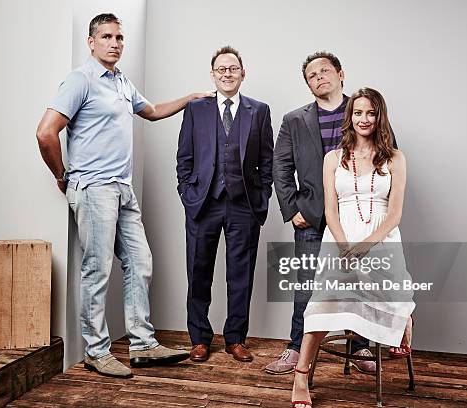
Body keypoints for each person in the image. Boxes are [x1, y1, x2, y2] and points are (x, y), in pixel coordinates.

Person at [36, 13, 211, 378]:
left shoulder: (120, 81)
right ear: (91, 42)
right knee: (97, 270)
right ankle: (95, 351)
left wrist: (191, 97)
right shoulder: (80, 80)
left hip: (122, 189)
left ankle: (143, 345)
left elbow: (151, 112)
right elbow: (45, 132)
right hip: (95, 187)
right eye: (107, 37)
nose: (115, 43)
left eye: (119, 37)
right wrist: (61, 175)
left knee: (140, 262)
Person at [267, 52, 395, 375]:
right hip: (311, 216)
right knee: (308, 284)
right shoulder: (294, 119)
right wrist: (291, 208)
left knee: (362, 282)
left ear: (341, 74)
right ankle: (296, 347)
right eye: (312, 74)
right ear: (308, 84)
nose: (319, 76)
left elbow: (388, 155)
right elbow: (280, 166)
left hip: (358, 215)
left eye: (325, 70)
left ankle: (361, 345)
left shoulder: (364, 110)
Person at [290, 88, 415, 408]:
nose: (364, 119)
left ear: (379, 117)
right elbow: (330, 210)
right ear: (350, 117)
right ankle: (301, 375)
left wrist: (365, 247)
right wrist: (346, 247)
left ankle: (404, 320)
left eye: (371, 113)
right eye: (358, 113)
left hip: (381, 238)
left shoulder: (396, 159)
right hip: (341, 237)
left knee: (393, 289)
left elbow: (396, 213)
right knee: (321, 304)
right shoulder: (334, 158)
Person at [176, 46, 273, 363]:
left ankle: (235, 339)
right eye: (221, 69)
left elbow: (267, 162)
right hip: (203, 204)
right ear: (213, 74)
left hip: (243, 205)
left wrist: (261, 198)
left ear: (243, 73)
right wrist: (188, 194)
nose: (227, 73)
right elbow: (184, 158)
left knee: (240, 276)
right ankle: (199, 338)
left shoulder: (258, 111)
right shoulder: (196, 109)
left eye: (233, 68)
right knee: (198, 272)